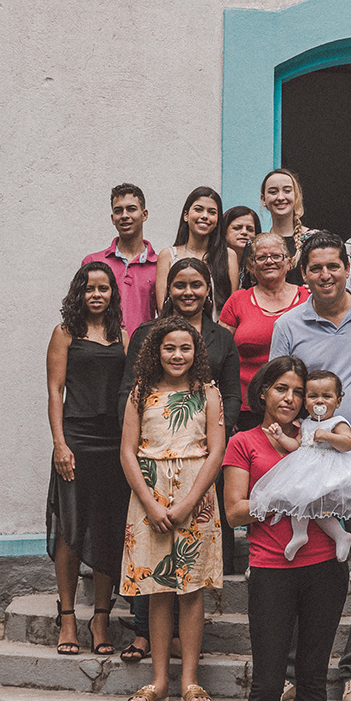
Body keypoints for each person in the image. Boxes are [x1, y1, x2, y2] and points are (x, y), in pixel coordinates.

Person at [269, 232, 351, 701]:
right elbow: (281, 392)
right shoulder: (289, 324)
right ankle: (295, 673)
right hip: (314, 462)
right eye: (316, 268)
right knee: (306, 566)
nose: (325, 275)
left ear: (348, 267)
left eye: (333, 266)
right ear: (303, 273)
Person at [223, 356, 349, 701]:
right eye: (281, 389)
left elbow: (344, 488)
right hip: (272, 569)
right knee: (267, 683)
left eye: (298, 391)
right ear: (263, 392)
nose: (291, 399)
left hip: (325, 569)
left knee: (313, 681)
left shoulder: (319, 437)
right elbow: (234, 511)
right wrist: (282, 496)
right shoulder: (245, 442)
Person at [121, 256, 241, 638]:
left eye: (196, 284)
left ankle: (185, 651)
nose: (188, 292)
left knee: (191, 579)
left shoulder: (221, 338)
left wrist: (215, 429)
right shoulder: (146, 337)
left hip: (198, 463)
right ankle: (146, 636)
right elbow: (129, 392)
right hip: (151, 466)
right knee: (152, 568)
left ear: (208, 290)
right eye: (180, 284)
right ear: (167, 290)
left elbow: (231, 393)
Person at [120, 315, 226, 701]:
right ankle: (159, 681)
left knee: (191, 590)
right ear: (156, 351)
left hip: (195, 499)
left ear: (196, 352)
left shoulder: (208, 393)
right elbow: (127, 451)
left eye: (185, 348)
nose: (177, 355)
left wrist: (187, 504)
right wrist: (151, 504)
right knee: (158, 590)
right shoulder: (140, 393)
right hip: (149, 499)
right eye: (169, 348)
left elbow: (216, 450)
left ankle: (190, 681)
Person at [45, 262, 130, 656]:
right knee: (70, 526)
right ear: (79, 293)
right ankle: (66, 618)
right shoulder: (64, 333)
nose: (96, 295)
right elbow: (55, 391)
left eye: (103, 288)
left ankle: (100, 618)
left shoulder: (122, 336)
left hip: (113, 442)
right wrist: (59, 444)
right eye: (89, 288)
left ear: (113, 294)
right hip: (76, 440)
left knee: (108, 528)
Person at [249, 369, 351, 560]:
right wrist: (280, 437)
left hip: (329, 472)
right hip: (307, 471)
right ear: (305, 402)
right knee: (300, 500)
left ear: (338, 401)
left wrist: (328, 436)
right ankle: (300, 534)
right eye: (313, 396)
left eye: (326, 396)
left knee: (319, 508)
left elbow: (347, 443)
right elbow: (296, 445)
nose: (320, 401)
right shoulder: (305, 423)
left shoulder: (338, 422)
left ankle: (340, 535)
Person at [220, 233, 310, 431]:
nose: (269, 261)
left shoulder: (308, 299)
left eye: (276, 256)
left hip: (298, 407)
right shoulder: (237, 300)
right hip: (246, 409)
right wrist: (226, 408)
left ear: (289, 263)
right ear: (251, 266)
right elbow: (220, 356)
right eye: (261, 257)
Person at [82, 183, 158, 338]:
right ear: (112, 218)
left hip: (143, 348)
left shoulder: (160, 265)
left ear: (144, 215)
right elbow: (81, 312)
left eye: (131, 209)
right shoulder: (93, 262)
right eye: (118, 211)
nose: (124, 215)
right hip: (102, 347)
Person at [155, 187, 231, 316]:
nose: (204, 216)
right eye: (198, 209)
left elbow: (230, 310)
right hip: (174, 327)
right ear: (186, 215)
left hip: (215, 328)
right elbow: (163, 308)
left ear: (218, 219)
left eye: (212, 212)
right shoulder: (168, 255)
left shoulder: (228, 256)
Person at [260, 169, 312, 283]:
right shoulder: (255, 245)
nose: (280, 197)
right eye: (273, 192)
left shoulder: (315, 240)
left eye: (287, 191)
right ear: (263, 199)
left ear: (296, 196)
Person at [223, 206, 262, 293]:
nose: (244, 232)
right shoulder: (212, 261)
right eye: (237, 228)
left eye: (250, 229)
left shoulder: (260, 264)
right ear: (224, 231)